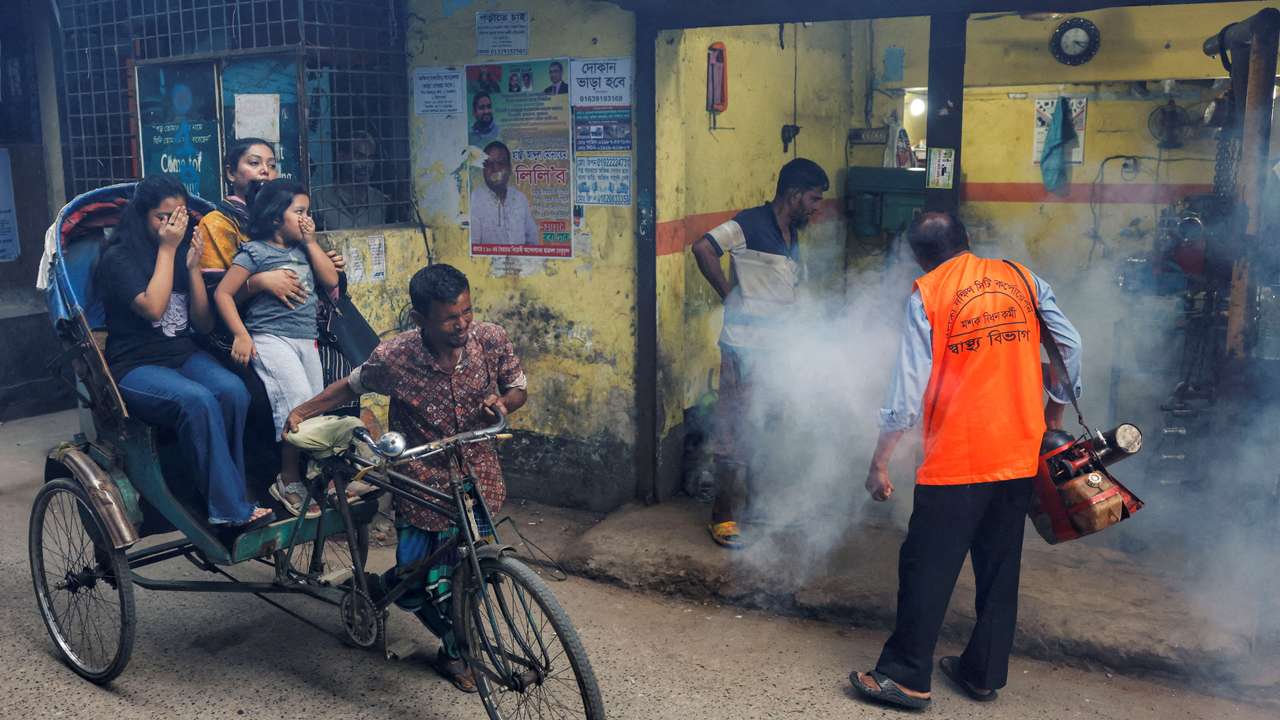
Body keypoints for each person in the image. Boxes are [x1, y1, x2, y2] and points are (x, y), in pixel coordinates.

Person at [851, 212, 1083, 711]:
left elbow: (906, 392)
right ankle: (981, 675)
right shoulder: (1022, 278)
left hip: (957, 459)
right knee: (998, 571)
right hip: (1019, 455)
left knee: (926, 568)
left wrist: (879, 462)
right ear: (969, 242)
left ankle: (907, 677)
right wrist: (1054, 413)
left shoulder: (928, 294)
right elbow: (1071, 345)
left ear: (918, 256)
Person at [283, 263, 528, 692]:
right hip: (421, 482)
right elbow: (350, 387)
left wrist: (503, 403)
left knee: (473, 573)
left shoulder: (490, 338)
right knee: (415, 581)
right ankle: (386, 589)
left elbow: (518, 387)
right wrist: (303, 411)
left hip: (478, 477)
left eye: (467, 311)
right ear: (420, 320)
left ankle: (454, 655)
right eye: (450, 318)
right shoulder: (396, 356)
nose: (462, 324)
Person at [95, 175, 273, 530]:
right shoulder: (119, 258)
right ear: (141, 216)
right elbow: (154, 309)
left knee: (233, 392)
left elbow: (204, 325)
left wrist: (192, 268)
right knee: (197, 401)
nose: (171, 224)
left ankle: (232, 491)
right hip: (134, 365)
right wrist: (166, 250)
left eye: (178, 216)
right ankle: (229, 510)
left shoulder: (181, 254)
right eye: (162, 217)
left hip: (182, 353)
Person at [689, 158, 828, 549]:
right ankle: (723, 517)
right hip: (744, 348)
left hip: (778, 350)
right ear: (794, 194)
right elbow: (703, 248)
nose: (817, 207)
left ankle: (754, 505)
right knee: (733, 429)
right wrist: (729, 296)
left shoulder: (792, 234)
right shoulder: (749, 222)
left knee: (765, 426)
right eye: (813, 199)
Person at [214, 180, 339, 517]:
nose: (305, 219)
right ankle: (287, 479)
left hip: (305, 339)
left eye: (308, 212)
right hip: (271, 338)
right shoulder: (255, 252)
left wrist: (312, 242)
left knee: (316, 404)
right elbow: (223, 293)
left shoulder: (303, 251)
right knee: (296, 400)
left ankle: (317, 473)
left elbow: (331, 281)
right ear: (273, 217)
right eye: (299, 212)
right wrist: (241, 334)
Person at [312, 130, 389, 230]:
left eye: (371, 158)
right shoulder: (319, 201)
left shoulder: (380, 201)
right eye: (359, 156)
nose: (366, 164)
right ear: (341, 157)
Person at [469, 141, 539, 247]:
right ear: (483, 169)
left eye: (500, 163)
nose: (495, 169)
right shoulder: (474, 199)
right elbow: (472, 249)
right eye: (489, 164)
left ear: (510, 169)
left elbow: (533, 240)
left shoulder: (519, 198)